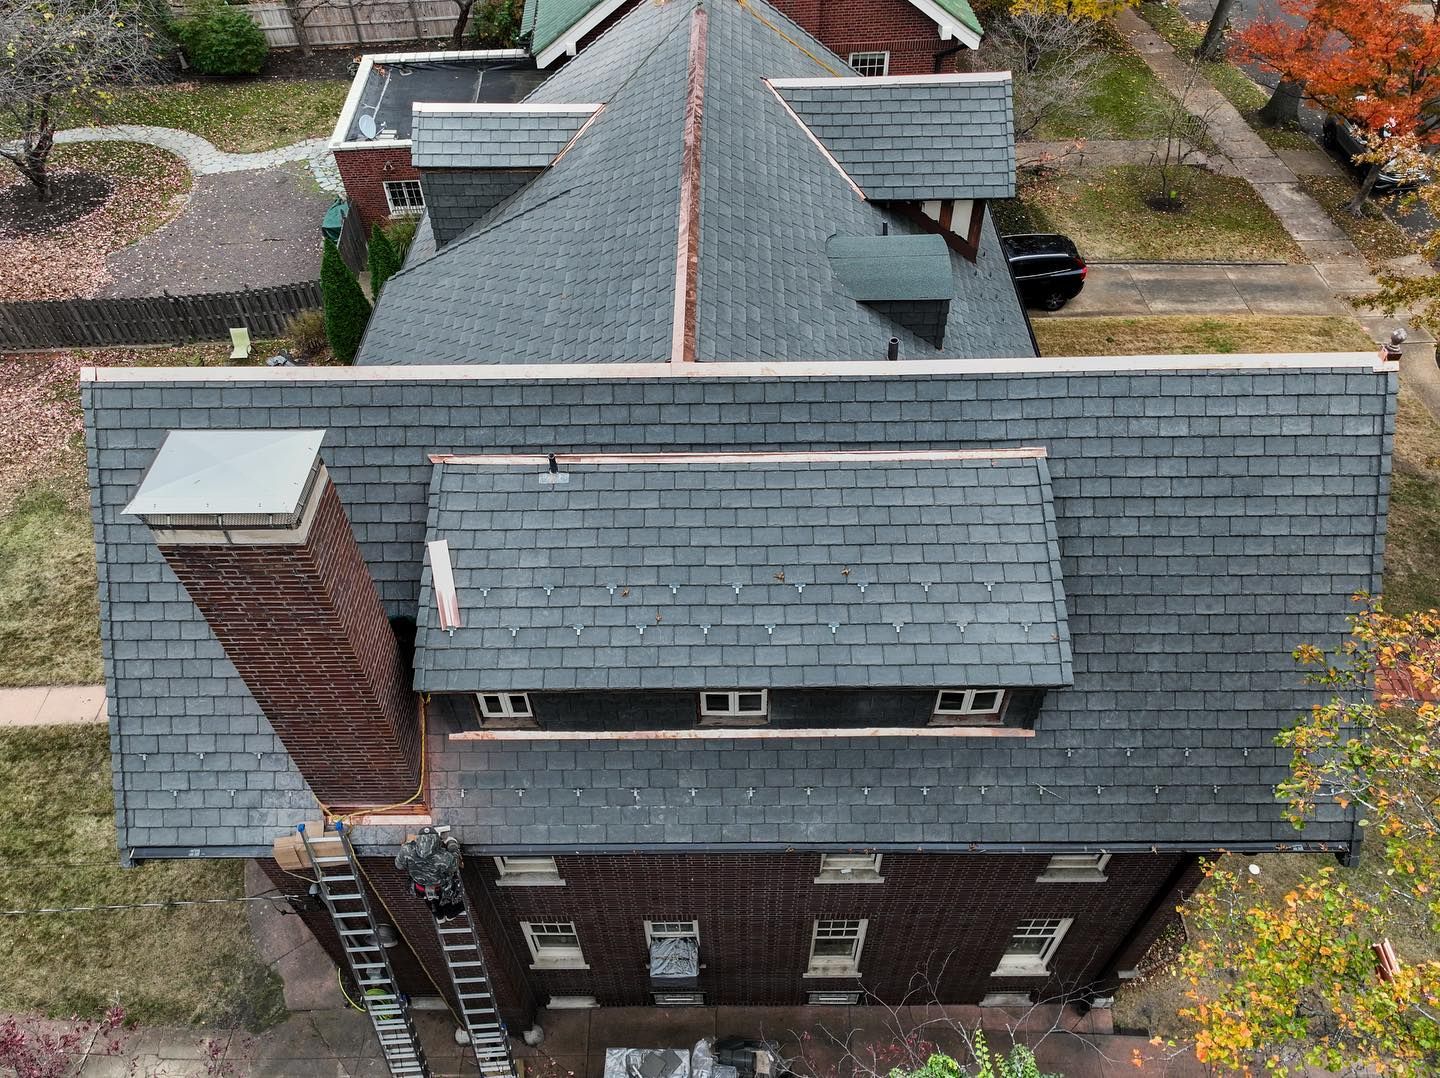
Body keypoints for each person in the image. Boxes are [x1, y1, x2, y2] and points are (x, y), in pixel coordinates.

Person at [394, 826, 466, 922]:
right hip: (441, 887)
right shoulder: (443, 857)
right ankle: (449, 913)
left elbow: (399, 866)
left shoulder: (407, 850)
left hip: (419, 887)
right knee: (444, 898)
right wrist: (452, 845)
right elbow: (455, 865)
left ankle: (439, 916)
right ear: (437, 841)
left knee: (430, 898)